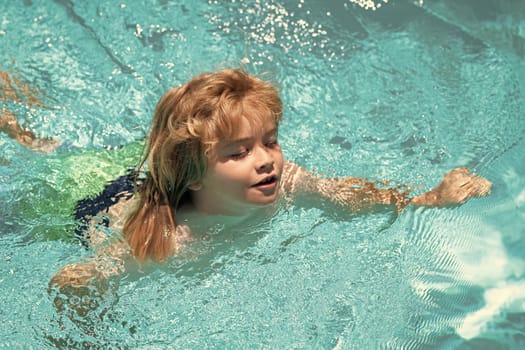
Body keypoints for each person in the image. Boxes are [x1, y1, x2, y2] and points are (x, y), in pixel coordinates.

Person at [2, 68, 491, 299]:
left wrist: (429, 199)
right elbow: (74, 280)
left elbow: (350, 198)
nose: (266, 161)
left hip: (154, 172)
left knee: (58, 144)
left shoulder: (285, 179)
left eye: (270, 141)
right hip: (86, 199)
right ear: (195, 173)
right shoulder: (174, 240)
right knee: (47, 153)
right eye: (239, 152)